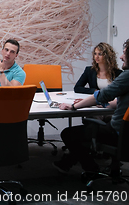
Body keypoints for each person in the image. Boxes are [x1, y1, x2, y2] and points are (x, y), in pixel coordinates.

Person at [52, 39, 129, 175]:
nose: (121, 57)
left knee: (68, 134)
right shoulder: (92, 71)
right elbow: (119, 101)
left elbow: (100, 96)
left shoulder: (126, 76)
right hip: (125, 131)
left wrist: (74, 107)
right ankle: (70, 162)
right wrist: (106, 103)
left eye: (124, 53)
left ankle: (91, 168)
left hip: (118, 133)